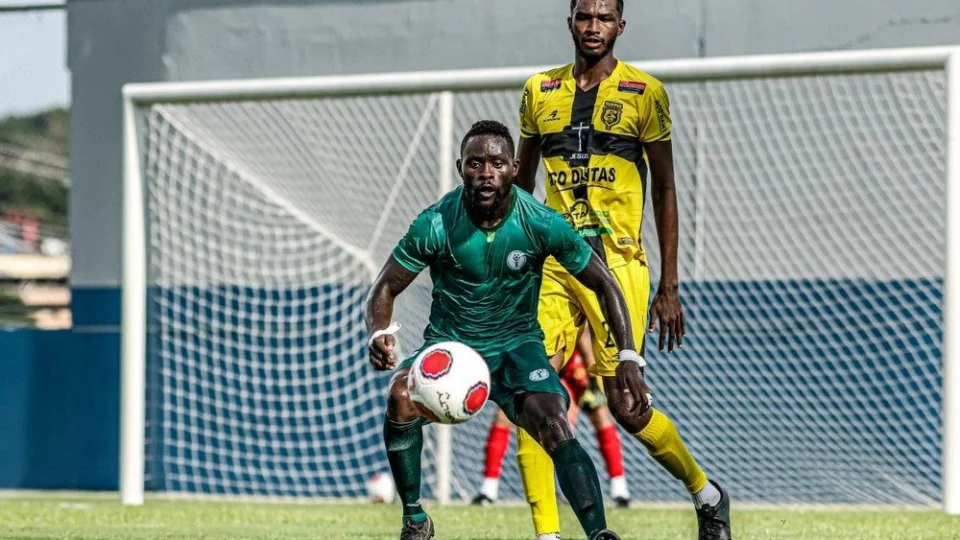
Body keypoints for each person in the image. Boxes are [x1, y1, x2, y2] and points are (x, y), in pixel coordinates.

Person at [512, 1, 731, 539]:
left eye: (604, 17)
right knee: (531, 395)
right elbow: (522, 185)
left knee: (628, 406)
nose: (593, 26)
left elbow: (666, 188)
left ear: (620, 26)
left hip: (617, 266)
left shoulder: (644, 92)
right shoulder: (539, 90)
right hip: (555, 266)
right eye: (584, 16)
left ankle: (707, 495)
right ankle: (548, 534)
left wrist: (669, 286)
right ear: (570, 22)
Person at [366, 119, 640, 540]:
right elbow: (384, 286)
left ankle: (598, 533)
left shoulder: (540, 222)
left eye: (496, 163)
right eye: (475, 163)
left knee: (555, 422)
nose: (486, 172)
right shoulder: (435, 223)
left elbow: (604, 282)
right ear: (461, 168)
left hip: (518, 349)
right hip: (450, 348)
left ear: (514, 168)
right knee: (399, 397)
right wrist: (377, 332)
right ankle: (415, 519)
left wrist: (628, 355)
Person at [472, 326, 631, 508]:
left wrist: (592, 374)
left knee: (597, 418)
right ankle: (489, 489)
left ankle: (619, 489)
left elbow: (583, 331)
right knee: (506, 416)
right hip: (543, 359)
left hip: (574, 363)